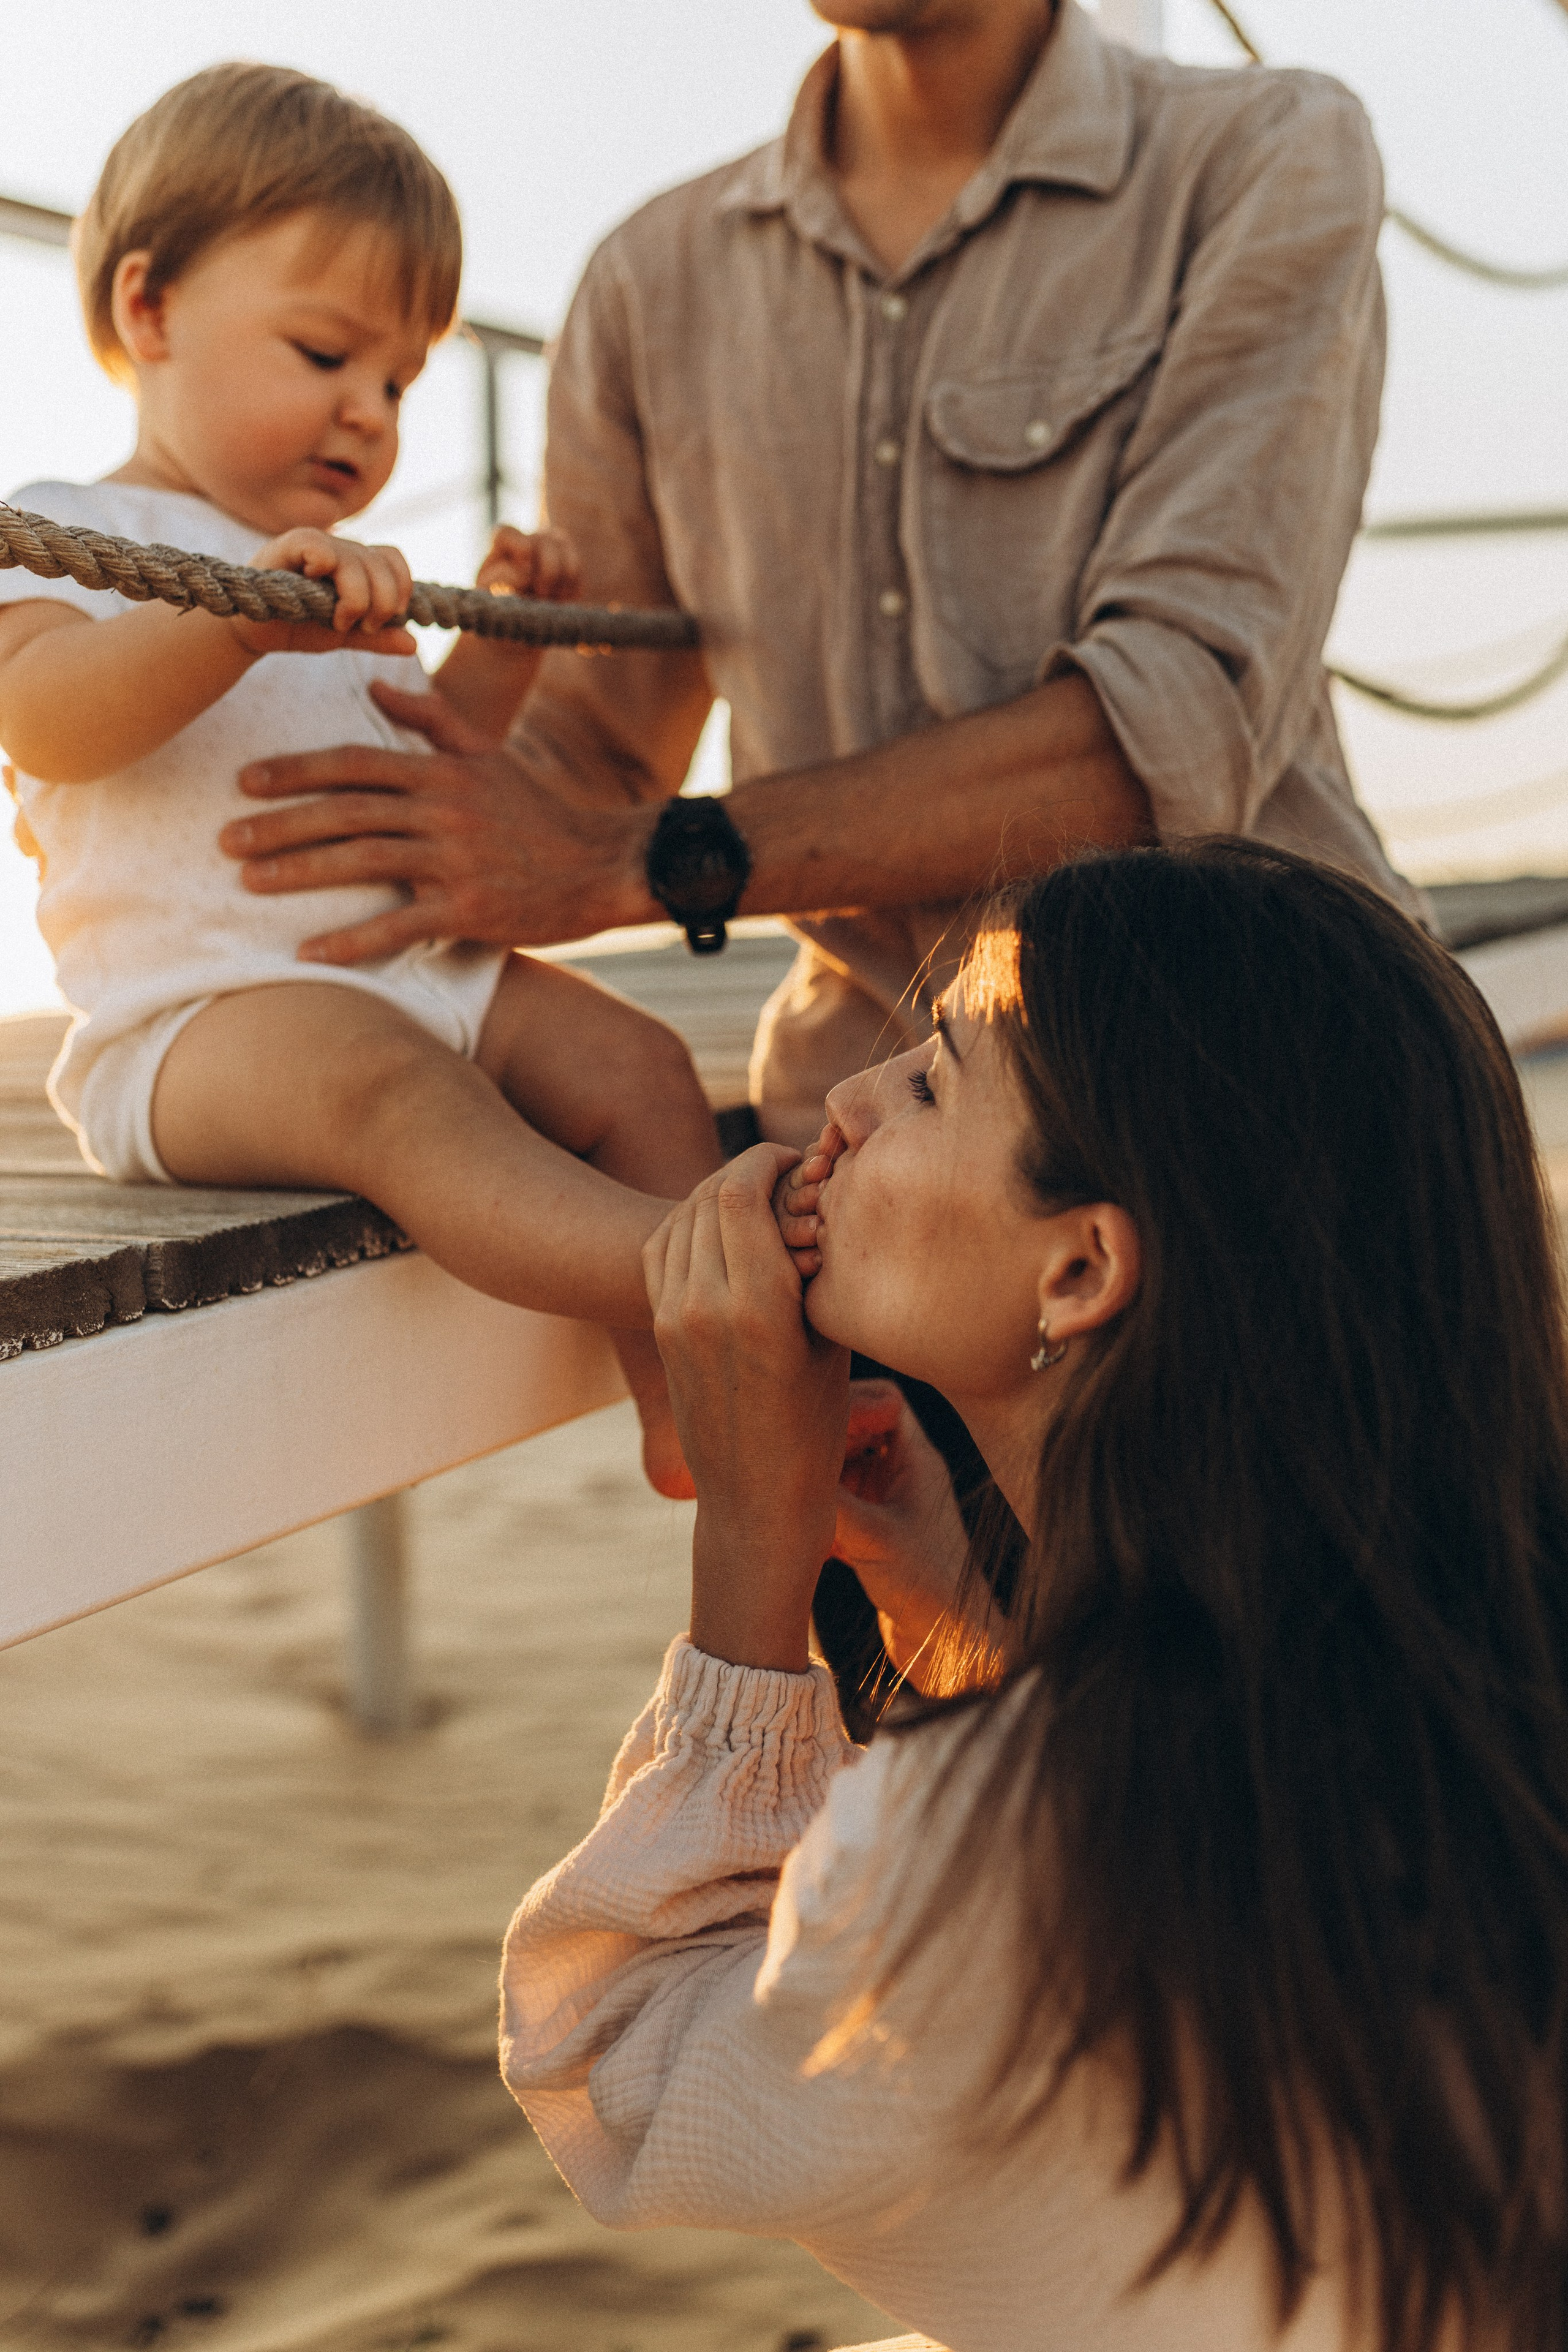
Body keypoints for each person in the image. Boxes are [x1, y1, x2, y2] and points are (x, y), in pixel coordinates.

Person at [501, 842, 1568, 2352]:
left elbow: (628, 2073)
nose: (844, 1104)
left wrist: (755, 1533)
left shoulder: (1003, 1846)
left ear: (1077, 1274)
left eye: (931, 1085)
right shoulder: (1474, 1676)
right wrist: (944, 1588)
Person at [215, 0, 1422, 1155]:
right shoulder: (648, 281)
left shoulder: (1268, 155)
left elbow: (1168, 725)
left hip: (1263, 1108)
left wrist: (636, 860)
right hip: (871, 1146)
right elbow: (596, 756)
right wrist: (293, 798)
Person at [0, 66, 722, 1496]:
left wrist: (500, 650)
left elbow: (426, 742)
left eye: (398, 380)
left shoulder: (336, 567)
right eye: (325, 353)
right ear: (149, 310)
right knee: (394, 1096)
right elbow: (47, 724)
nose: (369, 415)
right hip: (198, 1022)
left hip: (419, 963)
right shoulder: (66, 528)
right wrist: (239, 614)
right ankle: (702, 1273)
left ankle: (695, 1402)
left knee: (637, 1064)